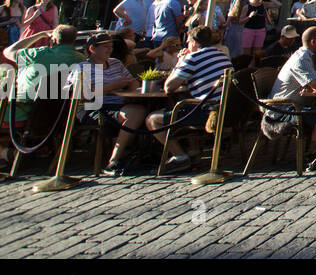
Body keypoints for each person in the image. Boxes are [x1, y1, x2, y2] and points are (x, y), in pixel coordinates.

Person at [146, 25, 232, 173]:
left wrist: (180, 62)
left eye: (187, 42)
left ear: (194, 43)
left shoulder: (193, 58)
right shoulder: (221, 55)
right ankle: (193, 152)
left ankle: (180, 156)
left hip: (208, 110)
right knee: (185, 108)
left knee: (152, 119)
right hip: (227, 108)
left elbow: (169, 87)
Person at [263, 26, 316, 171]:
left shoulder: (314, 57)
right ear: (312, 42)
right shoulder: (302, 59)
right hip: (283, 109)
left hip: (301, 104)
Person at [67, 32, 143, 175]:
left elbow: (132, 82)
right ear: (92, 49)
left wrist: (131, 84)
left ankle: (134, 155)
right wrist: (113, 86)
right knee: (136, 112)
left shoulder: (115, 63)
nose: (110, 49)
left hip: (118, 104)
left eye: (111, 46)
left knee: (143, 110)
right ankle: (114, 160)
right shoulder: (82, 68)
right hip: (93, 108)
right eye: (105, 47)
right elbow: (81, 94)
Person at [3, 25, 80, 122]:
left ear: (54, 40)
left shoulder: (40, 54)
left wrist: (40, 35)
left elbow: (8, 52)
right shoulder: (81, 60)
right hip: (60, 116)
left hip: (22, 113)